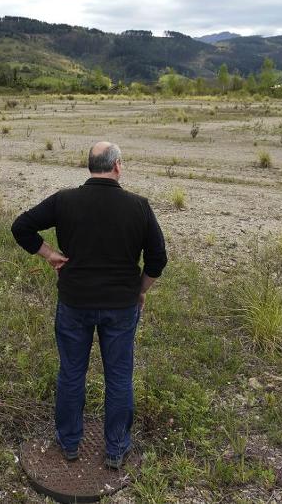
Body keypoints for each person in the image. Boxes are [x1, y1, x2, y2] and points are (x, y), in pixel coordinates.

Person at [11, 141, 167, 470]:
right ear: (118, 166)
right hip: (121, 307)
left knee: (71, 373)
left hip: (74, 303)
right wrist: (140, 290)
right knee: (120, 377)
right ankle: (116, 449)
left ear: (89, 166)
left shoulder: (64, 200)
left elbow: (21, 226)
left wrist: (49, 254)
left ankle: (68, 443)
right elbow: (158, 259)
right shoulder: (138, 206)